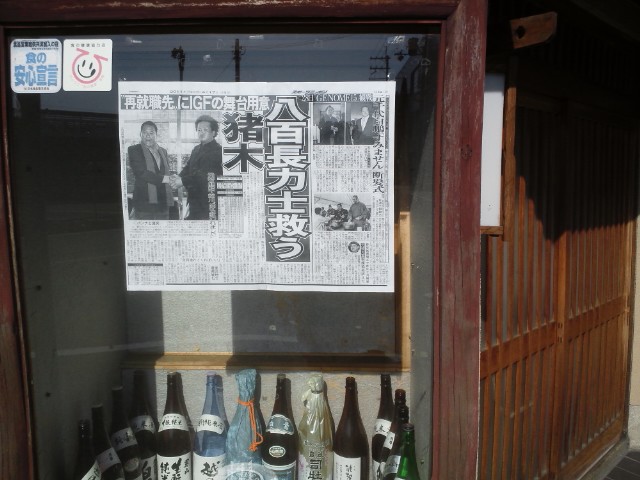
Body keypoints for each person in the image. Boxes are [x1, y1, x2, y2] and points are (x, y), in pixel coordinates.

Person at [172, 115, 223, 220]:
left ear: (213, 132)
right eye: (199, 130)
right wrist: (178, 177)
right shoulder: (196, 149)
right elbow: (188, 167)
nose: (201, 132)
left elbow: (203, 174)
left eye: (205, 130)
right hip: (194, 200)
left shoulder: (218, 151)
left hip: (209, 201)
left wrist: (182, 181)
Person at [128, 121, 174, 220]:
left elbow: (165, 172)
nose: (148, 136)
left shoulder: (163, 151)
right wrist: (166, 179)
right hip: (143, 203)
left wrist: (174, 179)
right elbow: (141, 173)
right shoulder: (134, 150)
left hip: (163, 203)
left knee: (163, 229)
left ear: (156, 135)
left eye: (151, 133)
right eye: (145, 132)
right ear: (140, 134)